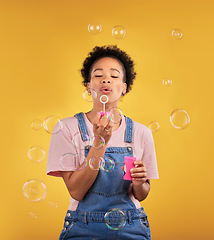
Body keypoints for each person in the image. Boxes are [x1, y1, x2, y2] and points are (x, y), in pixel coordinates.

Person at [47, 45, 159, 240]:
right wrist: (100, 142)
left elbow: (141, 195)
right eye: (98, 75)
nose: (106, 79)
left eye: (114, 76)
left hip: (131, 226)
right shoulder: (66, 128)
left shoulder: (141, 133)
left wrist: (140, 182)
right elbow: (77, 192)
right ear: (88, 85)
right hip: (82, 226)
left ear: (124, 87)